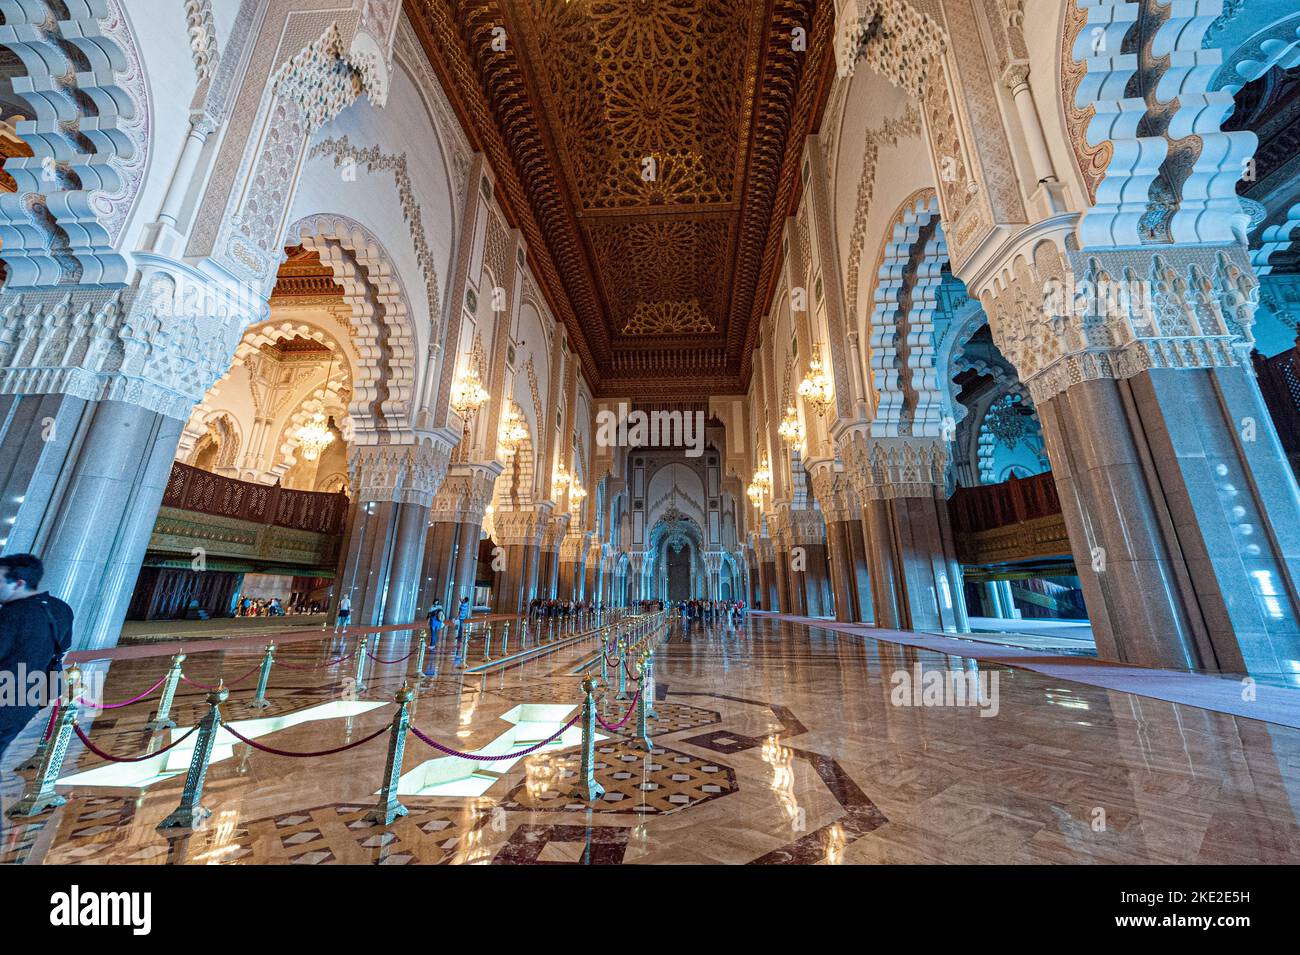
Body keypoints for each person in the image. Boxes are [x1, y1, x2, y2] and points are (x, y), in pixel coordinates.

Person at [0, 554, 74, 764]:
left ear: (18, 583)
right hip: (30, 700)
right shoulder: (61, 608)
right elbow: (63, 650)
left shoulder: (12, 614)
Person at [423, 600, 445, 677]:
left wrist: (428, 620)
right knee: (434, 634)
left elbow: (429, 616)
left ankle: (432, 644)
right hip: (437, 623)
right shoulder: (440, 608)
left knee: (433, 634)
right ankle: (433, 644)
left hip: (433, 622)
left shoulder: (432, 608)